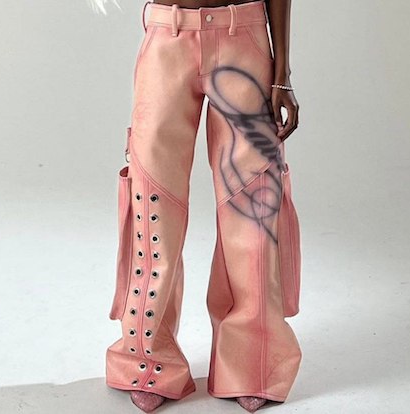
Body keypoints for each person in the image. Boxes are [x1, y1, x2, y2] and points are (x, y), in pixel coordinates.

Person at [99, 0, 303, 412]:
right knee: (152, 199)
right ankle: (146, 359)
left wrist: (282, 75)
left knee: (254, 205)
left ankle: (253, 363)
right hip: (166, 37)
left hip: (244, 38)